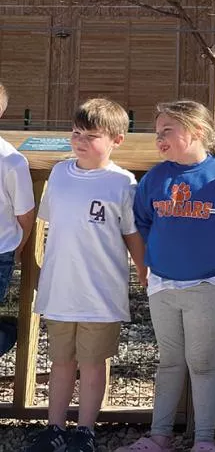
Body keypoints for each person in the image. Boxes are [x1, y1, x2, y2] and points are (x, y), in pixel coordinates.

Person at [118, 100, 215, 452]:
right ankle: (159, 435)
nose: (159, 138)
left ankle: (204, 439)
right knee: (169, 362)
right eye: (157, 132)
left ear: (196, 131)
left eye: (167, 131)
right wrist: (156, 257)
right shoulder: (155, 178)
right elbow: (142, 221)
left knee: (202, 361)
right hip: (162, 284)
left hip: (207, 285)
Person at [26, 98, 145, 452]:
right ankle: (55, 426)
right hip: (60, 289)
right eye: (76, 133)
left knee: (93, 363)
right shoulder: (59, 173)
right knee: (61, 361)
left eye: (91, 136)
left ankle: (85, 430)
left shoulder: (123, 183)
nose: (80, 141)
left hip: (101, 292)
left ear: (116, 140)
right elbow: (50, 224)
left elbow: (132, 234)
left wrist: (144, 270)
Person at [0, 82, 35, 356]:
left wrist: (18, 248)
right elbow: (24, 216)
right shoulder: (11, 160)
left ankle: (8, 332)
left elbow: (26, 215)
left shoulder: (11, 160)